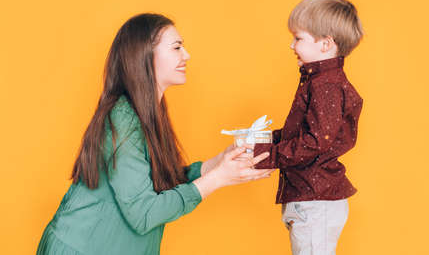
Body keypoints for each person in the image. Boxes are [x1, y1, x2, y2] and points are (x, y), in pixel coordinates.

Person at [37, 13, 274, 255]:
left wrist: (218, 163)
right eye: (177, 47)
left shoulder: (148, 113)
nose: (187, 55)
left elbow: (158, 183)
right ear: (144, 55)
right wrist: (218, 178)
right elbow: (145, 213)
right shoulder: (124, 118)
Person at [253, 0, 364, 255]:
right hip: (310, 197)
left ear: (326, 44)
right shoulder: (318, 82)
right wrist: (263, 143)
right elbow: (304, 134)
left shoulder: (327, 86)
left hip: (316, 200)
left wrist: (267, 155)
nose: (292, 45)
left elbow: (315, 142)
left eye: (298, 38)